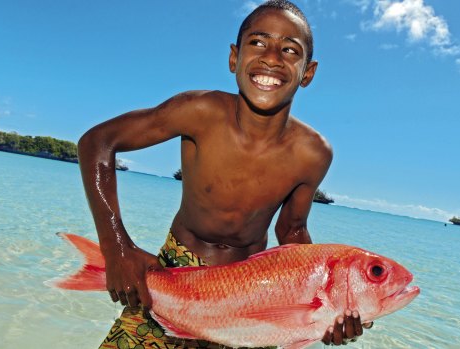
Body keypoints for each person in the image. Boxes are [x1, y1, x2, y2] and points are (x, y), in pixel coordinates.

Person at [78, 1, 370, 348]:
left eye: (290, 50)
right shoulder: (199, 111)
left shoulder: (313, 153)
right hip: (175, 273)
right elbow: (98, 142)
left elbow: (291, 230)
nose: (272, 58)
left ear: (308, 72)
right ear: (234, 58)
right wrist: (116, 247)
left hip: (252, 293)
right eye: (258, 43)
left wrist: (327, 306)